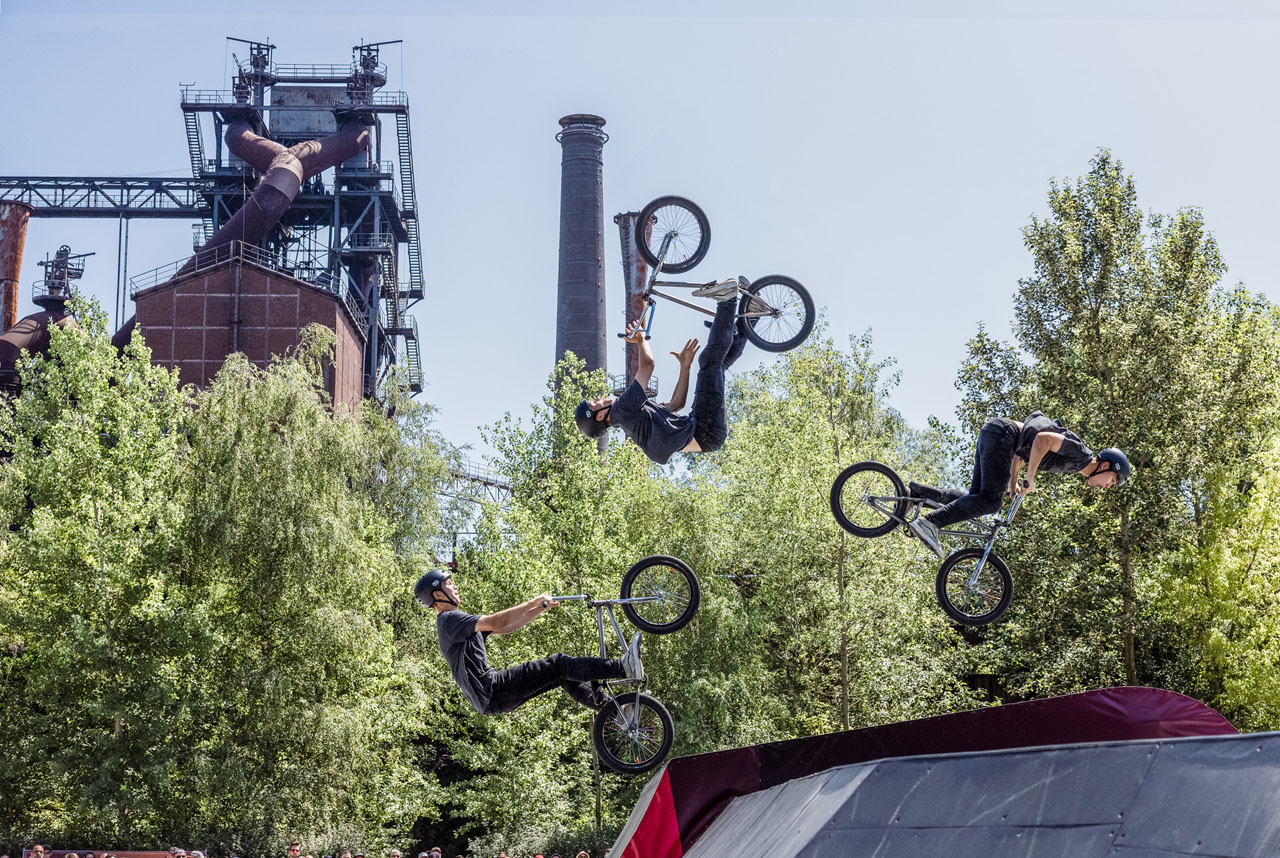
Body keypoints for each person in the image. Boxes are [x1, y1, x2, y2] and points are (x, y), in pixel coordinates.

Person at [415, 567, 643, 715]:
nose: (455, 586)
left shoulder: (454, 623)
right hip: (492, 690)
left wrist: (537, 609)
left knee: (561, 676)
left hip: (491, 697)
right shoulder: (449, 620)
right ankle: (623, 667)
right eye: (449, 584)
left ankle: (614, 712)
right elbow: (496, 621)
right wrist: (532, 602)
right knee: (558, 664)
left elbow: (505, 628)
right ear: (437, 594)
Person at [906, 411, 1130, 558]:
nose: (1107, 486)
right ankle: (930, 523)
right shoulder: (1081, 454)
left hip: (997, 433)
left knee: (975, 500)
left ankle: (918, 495)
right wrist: (1029, 479)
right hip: (1002, 434)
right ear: (1105, 465)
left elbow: (1021, 454)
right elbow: (1043, 439)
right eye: (1111, 480)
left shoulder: (1075, 465)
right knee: (991, 502)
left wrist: (1013, 483)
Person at [574, 279, 747, 462]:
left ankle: (750, 314)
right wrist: (641, 339)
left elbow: (676, 404)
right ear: (600, 415)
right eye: (595, 403)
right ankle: (727, 300)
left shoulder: (632, 421)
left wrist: (685, 367)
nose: (599, 398)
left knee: (719, 366)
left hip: (703, 431)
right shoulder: (623, 409)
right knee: (709, 361)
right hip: (705, 430)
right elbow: (648, 365)